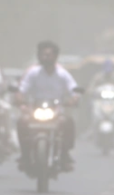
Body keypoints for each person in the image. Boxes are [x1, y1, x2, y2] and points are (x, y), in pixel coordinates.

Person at [17, 41, 80, 171]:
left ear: (55, 56)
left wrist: (74, 99)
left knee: (67, 123)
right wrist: (19, 99)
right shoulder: (33, 73)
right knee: (22, 122)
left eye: (48, 55)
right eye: (43, 54)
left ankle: (64, 155)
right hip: (35, 110)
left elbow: (74, 89)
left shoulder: (62, 74)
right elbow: (22, 90)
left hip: (57, 111)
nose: (45, 57)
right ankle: (25, 155)